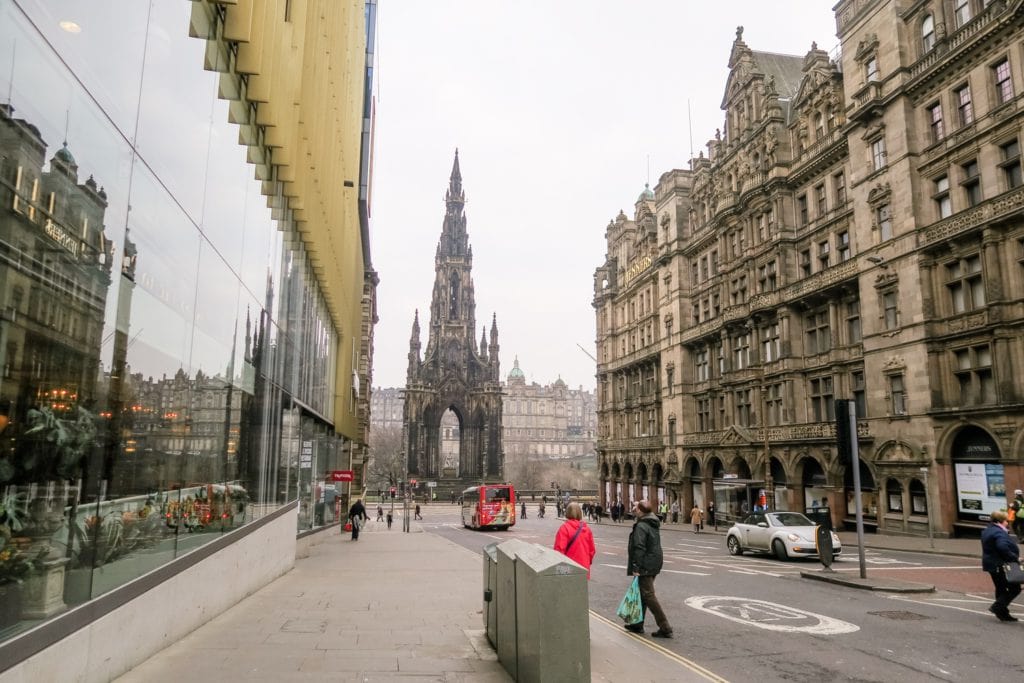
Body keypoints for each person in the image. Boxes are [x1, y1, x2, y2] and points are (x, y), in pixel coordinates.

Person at [626, 500, 672, 638]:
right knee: (642, 593)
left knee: (648, 594)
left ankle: (665, 626)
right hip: (654, 561)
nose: (633, 508)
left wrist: (636, 566)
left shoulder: (641, 526)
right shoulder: (652, 522)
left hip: (645, 563)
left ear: (640, 511)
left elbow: (639, 547)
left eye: (635, 507)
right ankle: (637, 624)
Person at [981, 509, 1021, 621]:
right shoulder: (999, 532)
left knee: (1001, 588)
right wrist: (1014, 557)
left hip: (991, 564)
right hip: (1000, 565)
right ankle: (997, 607)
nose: (1007, 523)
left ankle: (1003, 614)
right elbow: (1002, 547)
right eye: (1006, 521)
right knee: (1015, 588)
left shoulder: (988, 530)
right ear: (1001, 521)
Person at [554, 502, 596, 579]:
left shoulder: (564, 528)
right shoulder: (587, 529)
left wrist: (559, 571)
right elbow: (592, 551)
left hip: (568, 569)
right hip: (584, 568)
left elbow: (559, 550)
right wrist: (586, 562)